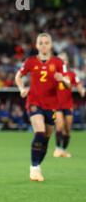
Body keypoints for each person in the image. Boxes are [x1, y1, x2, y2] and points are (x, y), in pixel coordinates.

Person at [15, 33, 66, 182]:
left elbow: (68, 82)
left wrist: (62, 79)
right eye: (41, 43)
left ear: (51, 45)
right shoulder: (30, 61)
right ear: (37, 45)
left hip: (52, 105)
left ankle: (37, 165)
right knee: (39, 131)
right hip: (34, 102)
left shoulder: (58, 62)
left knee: (46, 138)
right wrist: (21, 88)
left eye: (46, 42)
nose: (44, 45)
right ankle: (34, 167)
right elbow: (18, 76)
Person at [53, 52, 85, 158]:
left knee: (67, 130)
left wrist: (82, 91)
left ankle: (63, 150)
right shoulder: (54, 74)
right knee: (59, 126)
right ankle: (57, 149)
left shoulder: (72, 74)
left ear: (67, 61)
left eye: (64, 60)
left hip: (68, 105)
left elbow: (78, 85)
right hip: (56, 105)